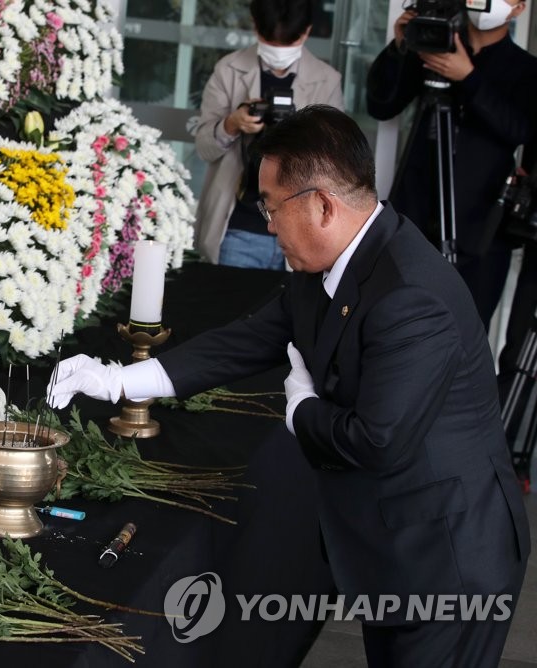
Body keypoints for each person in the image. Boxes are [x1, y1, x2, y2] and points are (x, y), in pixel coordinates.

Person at [48, 106, 529, 667]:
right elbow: (248, 340)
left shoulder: (409, 297)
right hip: (394, 542)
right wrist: (117, 379)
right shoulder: (331, 261)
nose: (268, 223)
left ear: (321, 205)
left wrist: (301, 409)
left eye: (271, 206)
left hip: (448, 558)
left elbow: (377, 440)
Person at [366, 0, 537, 328]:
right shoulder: (433, 46)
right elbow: (381, 105)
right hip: (412, 215)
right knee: (391, 325)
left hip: (480, 229)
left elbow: (519, 129)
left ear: (518, 8)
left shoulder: (526, 69)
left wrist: (468, 78)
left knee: (462, 338)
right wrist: (400, 46)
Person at [193, 0, 343, 268]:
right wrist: (231, 124)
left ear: (306, 31)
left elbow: (335, 164)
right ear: (255, 26)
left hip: (302, 231)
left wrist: (300, 136)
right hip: (240, 226)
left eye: (288, 42)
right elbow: (204, 148)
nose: (279, 50)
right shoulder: (228, 70)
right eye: (270, 40)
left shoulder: (327, 80)